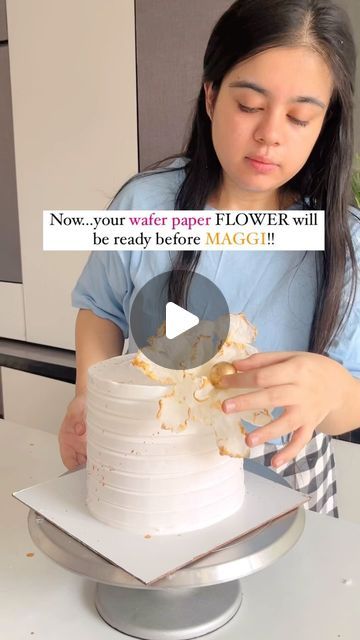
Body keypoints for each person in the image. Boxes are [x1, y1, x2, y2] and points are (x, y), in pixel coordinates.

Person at [59, 0, 360, 517]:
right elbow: (100, 309)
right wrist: (90, 394)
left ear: (324, 125)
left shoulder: (344, 244)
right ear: (211, 95)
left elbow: (349, 404)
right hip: (155, 468)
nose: (270, 133)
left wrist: (332, 391)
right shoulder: (144, 205)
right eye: (248, 106)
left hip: (285, 484)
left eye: (300, 116)